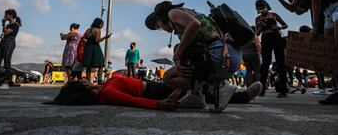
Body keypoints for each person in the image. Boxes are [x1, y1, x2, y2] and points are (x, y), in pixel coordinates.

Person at [145, 1, 242, 111]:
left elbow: (195, 24)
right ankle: (196, 96)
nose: (162, 29)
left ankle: (219, 87)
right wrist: (177, 91)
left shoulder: (172, 13)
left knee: (168, 78)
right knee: (179, 49)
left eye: (158, 26)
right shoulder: (186, 17)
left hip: (221, 55)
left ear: (159, 18)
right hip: (230, 56)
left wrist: (177, 55)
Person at [48, 76, 263, 110]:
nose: (84, 79)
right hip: (155, 92)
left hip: (156, 86)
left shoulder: (105, 85)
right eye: (81, 81)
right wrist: (159, 105)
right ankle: (241, 96)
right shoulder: (107, 94)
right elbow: (132, 101)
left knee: (197, 88)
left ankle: (238, 94)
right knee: (198, 88)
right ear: (84, 87)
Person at [255, 0, 288, 98]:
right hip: (265, 39)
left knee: (280, 62)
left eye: (263, 7)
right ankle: (262, 89)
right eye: (259, 8)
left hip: (276, 37)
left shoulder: (274, 15)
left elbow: (285, 25)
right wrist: (260, 27)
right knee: (265, 64)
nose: (262, 9)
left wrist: (278, 28)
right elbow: (257, 33)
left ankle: (283, 90)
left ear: (267, 6)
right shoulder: (258, 18)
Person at [0, 9, 21, 90]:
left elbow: (6, 32)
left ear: (11, 15)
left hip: (10, 42)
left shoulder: (15, 24)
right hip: (3, 42)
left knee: (7, 62)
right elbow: (4, 32)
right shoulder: (8, 24)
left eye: (6, 15)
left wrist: (3, 24)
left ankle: (6, 84)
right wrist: (4, 24)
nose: (5, 16)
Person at [83, 18, 111, 83]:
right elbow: (97, 40)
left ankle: (87, 80)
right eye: (102, 24)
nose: (102, 26)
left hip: (88, 48)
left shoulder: (88, 30)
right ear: (99, 24)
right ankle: (100, 80)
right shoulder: (97, 30)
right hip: (95, 48)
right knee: (101, 64)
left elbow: (84, 38)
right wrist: (105, 37)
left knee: (88, 66)